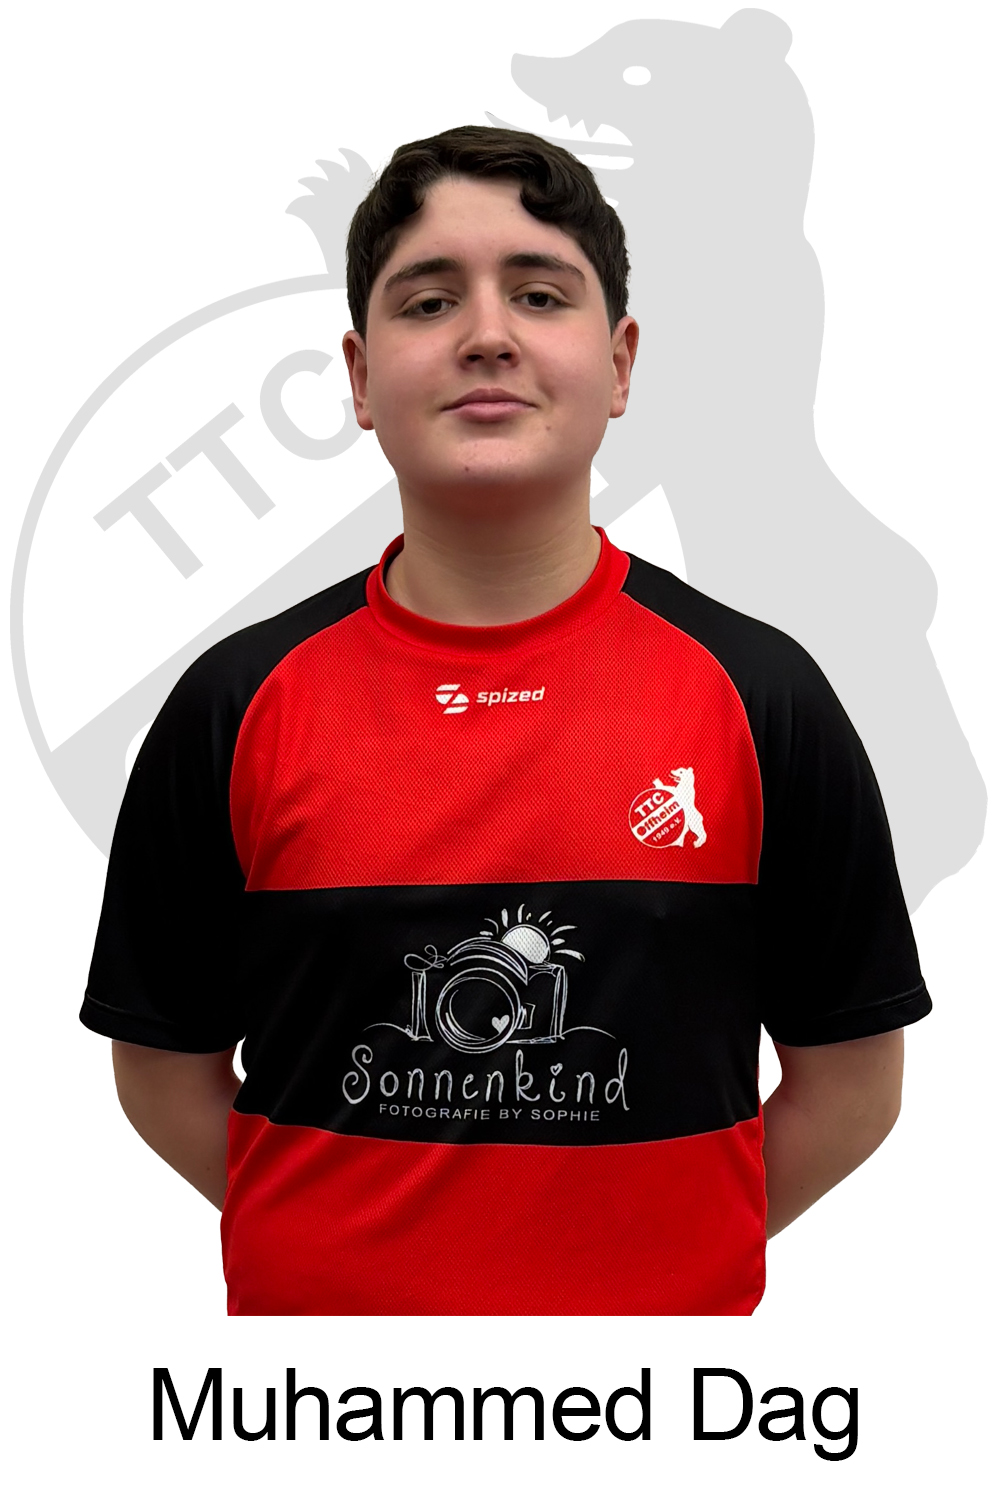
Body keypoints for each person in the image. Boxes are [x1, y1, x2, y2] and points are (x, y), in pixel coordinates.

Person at [80, 125, 931, 1315]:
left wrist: (663, 1266)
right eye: (428, 302)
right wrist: (338, 1253)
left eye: (538, 294)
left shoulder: (760, 693)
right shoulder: (235, 702)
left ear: (620, 364)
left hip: (653, 1391)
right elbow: (162, 1070)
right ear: (360, 377)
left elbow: (851, 1085)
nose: (486, 335)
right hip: (316, 1394)